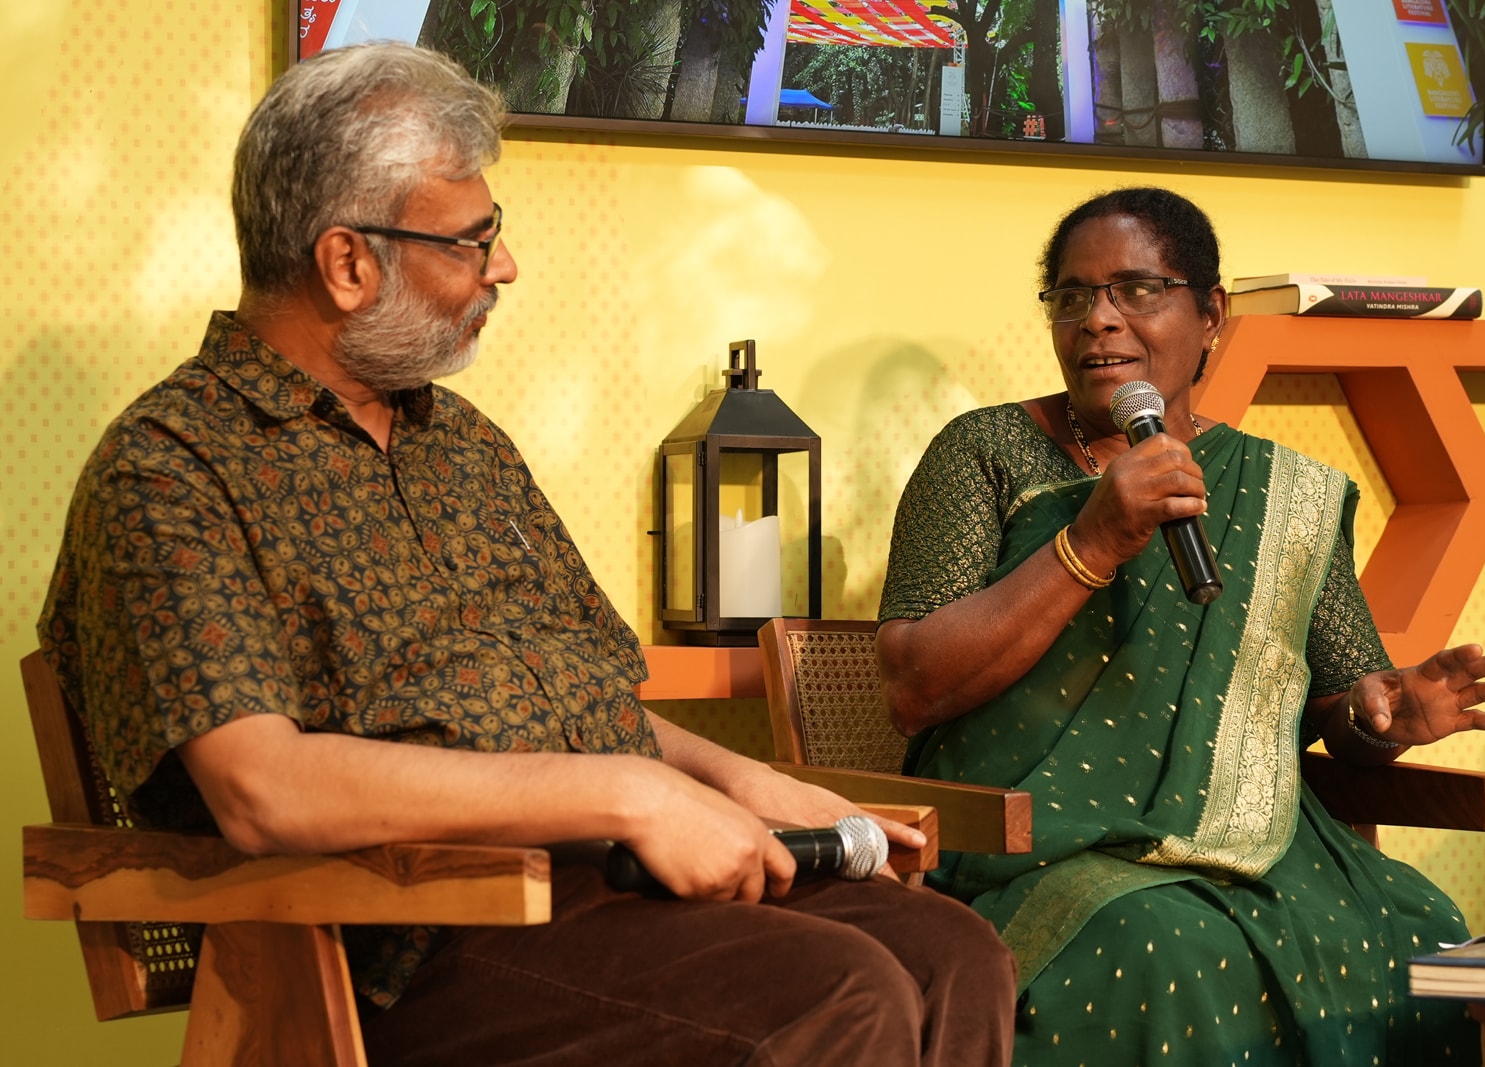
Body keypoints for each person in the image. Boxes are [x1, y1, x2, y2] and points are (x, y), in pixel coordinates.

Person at [37, 42, 1015, 1067]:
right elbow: (263, 786)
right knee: (838, 995)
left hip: (611, 877)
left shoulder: (462, 442)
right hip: (414, 930)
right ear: (348, 263)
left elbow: (587, 703)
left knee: (957, 956)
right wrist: (633, 795)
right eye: (473, 239)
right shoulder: (171, 467)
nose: (502, 266)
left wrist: (747, 779)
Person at [875, 186, 1485, 1066]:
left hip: (1262, 851)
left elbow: (1340, 704)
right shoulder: (984, 452)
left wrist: (1385, 716)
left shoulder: (1288, 493)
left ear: (1211, 313)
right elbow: (912, 684)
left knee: (1429, 933)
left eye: (1137, 289)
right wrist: (1091, 541)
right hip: (1035, 847)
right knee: (1170, 949)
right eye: (1072, 296)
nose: (1098, 319)